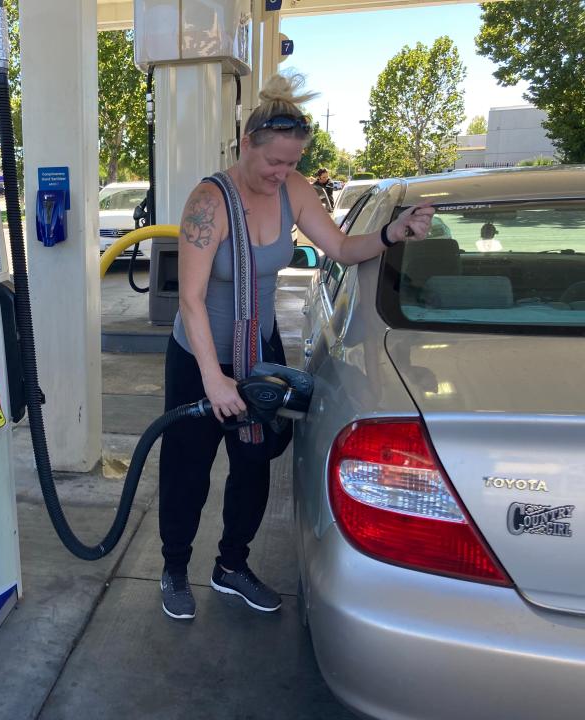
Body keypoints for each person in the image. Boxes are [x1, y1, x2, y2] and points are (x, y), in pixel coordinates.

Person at [158, 73, 433, 620]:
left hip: (259, 350)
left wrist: (391, 233)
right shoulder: (208, 201)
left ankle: (231, 566)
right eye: (273, 163)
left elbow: (340, 247)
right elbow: (189, 300)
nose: (282, 173)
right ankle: (173, 568)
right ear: (245, 146)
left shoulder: (295, 190)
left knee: (255, 461)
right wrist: (214, 380)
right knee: (188, 467)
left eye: (291, 162)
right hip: (199, 358)